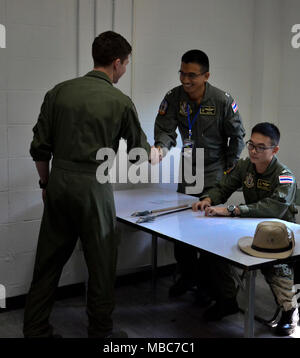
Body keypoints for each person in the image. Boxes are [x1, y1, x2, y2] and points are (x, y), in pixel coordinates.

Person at [23, 31, 156, 338]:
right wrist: (156, 154)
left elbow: (39, 149)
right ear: (117, 62)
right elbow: (139, 154)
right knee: (101, 264)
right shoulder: (120, 101)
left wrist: (46, 183)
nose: (124, 70)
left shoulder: (58, 92)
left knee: (47, 262)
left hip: (58, 181)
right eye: (125, 65)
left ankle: (35, 329)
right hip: (93, 187)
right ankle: (101, 332)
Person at [192, 122, 299, 336]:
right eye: (251, 144)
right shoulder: (244, 166)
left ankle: (290, 313)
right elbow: (225, 186)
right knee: (212, 251)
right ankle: (227, 299)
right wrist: (209, 198)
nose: (253, 151)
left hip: (278, 235)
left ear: (274, 150)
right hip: (248, 227)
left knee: (273, 266)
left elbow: (274, 208)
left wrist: (232, 210)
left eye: (261, 147)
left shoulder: (284, 175)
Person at [154, 49, 245, 298]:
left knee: (208, 232)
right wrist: (161, 148)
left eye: (192, 75)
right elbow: (165, 128)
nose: (185, 80)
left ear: (206, 76)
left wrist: (229, 168)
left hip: (215, 171)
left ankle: (211, 288)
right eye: (182, 73)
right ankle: (188, 277)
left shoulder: (222, 100)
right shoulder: (174, 97)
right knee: (183, 229)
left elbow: (237, 135)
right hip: (188, 170)